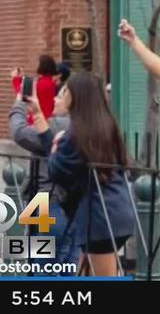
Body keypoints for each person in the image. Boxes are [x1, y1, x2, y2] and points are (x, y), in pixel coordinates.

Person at [44, 72, 133, 277]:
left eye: (65, 91)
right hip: (117, 209)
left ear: (76, 96)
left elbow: (57, 172)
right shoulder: (106, 126)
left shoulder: (74, 134)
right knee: (85, 272)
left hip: (99, 216)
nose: (62, 94)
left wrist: (55, 147)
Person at [9, 75, 79, 269]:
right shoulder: (85, 127)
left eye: (61, 95)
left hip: (47, 200)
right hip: (73, 203)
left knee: (41, 266)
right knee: (67, 265)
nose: (55, 99)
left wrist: (19, 102)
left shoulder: (60, 125)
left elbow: (19, 132)